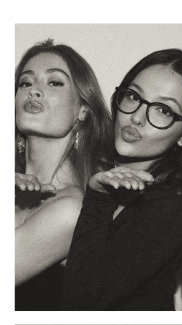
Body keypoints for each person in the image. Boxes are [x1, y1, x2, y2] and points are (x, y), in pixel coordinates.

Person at [60, 49, 182, 311]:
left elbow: (81, 303)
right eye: (134, 96)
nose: (136, 117)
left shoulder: (173, 206)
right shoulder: (88, 168)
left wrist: (99, 200)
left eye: (163, 110)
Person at [15, 39, 113, 310]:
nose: (34, 90)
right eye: (25, 83)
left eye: (54, 82)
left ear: (83, 109)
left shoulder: (71, 209)